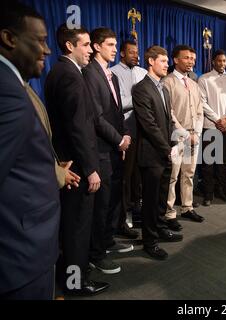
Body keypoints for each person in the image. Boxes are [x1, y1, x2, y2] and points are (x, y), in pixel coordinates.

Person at [0, 2, 74, 299]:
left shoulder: (17, 85)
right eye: (40, 40)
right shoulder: (8, 93)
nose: (46, 50)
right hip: (20, 253)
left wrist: (53, 169)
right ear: (9, 38)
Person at [45, 24, 109, 295]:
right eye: (85, 45)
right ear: (70, 46)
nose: (89, 51)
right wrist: (91, 168)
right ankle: (76, 282)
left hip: (69, 161)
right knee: (77, 228)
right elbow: (78, 127)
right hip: (77, 166)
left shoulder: (61, 71)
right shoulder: (70, 74)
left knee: (73, 226)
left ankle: (73, 272)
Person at [83, 27, 133, 275]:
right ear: (96, 46)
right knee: (101, 205)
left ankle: (108, 241)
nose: (115, 49)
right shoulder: (90, 73)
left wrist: (124, 135)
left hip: (113, 147)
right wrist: (119, 140)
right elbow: (96, 117)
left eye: (115, 45)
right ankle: (96, 254)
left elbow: (118, 111)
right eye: (111, 45)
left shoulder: (108, 74)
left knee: (113, 201)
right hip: (102, 148)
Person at [133, 45, 183, 260]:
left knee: (162, 198)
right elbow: (149, 125)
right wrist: (167, 149)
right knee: (151, 200)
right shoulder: (141, 88)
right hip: (152, 155)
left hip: (165, 152)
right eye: (163, 61)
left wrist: (172, 145)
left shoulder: (163, 88)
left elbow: (167, 121)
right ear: (151, 61)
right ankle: (149, 241)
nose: (166, 65)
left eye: (166, 61)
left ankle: (161, 228)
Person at [164, 45, 204, 230]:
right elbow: (168, 113)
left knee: (188, 174)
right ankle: (169, 212)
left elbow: (199, 110)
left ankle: (186, 207)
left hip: (193, 136)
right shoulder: (167, 82)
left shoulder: (194, 84)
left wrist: (196, 133)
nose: (191, 61)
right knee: (172, 176)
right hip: (176, 136)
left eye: (193, 59)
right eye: (187, 58)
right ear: (175, 60)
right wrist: (186, 134)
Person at [111, 39, 147, 236]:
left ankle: (138, 209)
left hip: (144, 130)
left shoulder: (142, 72)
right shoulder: (114, 72)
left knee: (139, 176)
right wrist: (140, 100)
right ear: (122, 54)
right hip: (126, 130)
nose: (135, 55)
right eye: (131, 52)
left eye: (137, 52)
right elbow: (117, 103)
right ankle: (124, 214)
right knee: (126, 176)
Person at [198, 49, 226, 207]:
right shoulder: (204, 79)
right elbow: (202, 103)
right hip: (210, 127)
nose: (222, 63)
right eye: (219, 61)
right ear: (213, 61)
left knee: (223, 163)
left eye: (224, 61)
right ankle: (208, 195)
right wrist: (217, 120)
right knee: (208, 163)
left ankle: (223, 192)